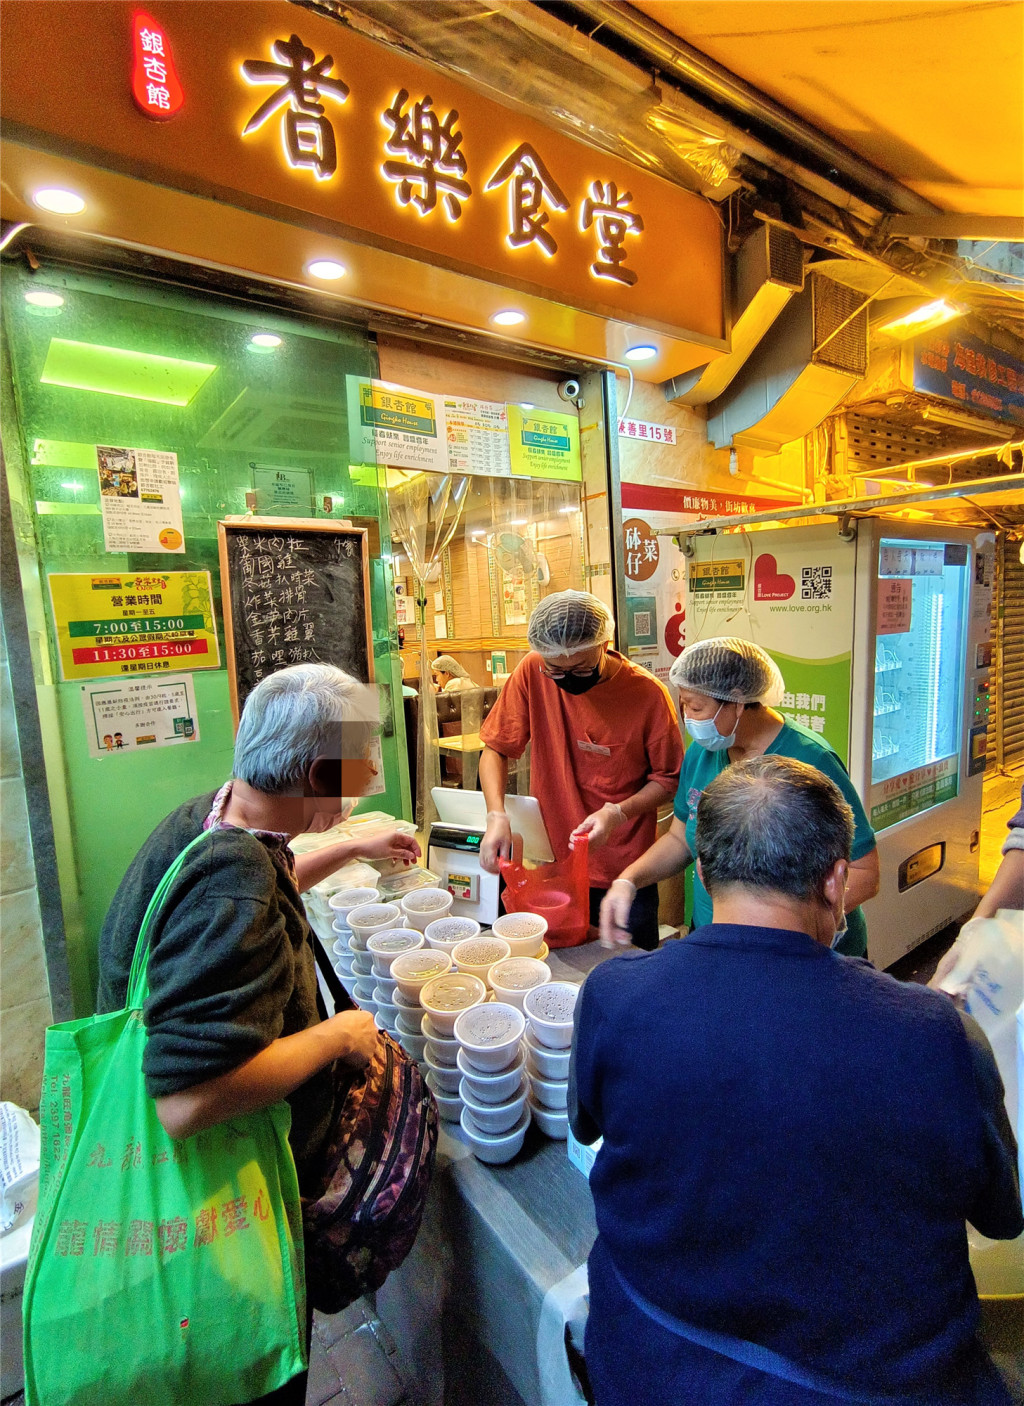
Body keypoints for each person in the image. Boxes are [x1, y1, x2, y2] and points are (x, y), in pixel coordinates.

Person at [571, 755, 1022, 1406]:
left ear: (702, 872)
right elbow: (1002, 1217)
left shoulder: (612, 995)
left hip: (647, 1365)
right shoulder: (934, 1035)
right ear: (838, 880)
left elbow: (590, 1127)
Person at [96, 663, 421, 1406]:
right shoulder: (231, 884)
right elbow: (187, 1098)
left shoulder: (211, 821)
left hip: (213, 1191)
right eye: (359, 766)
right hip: (226, 1206)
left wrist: (345, 848)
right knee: (260, 1372)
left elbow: (255, 894)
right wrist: (339, 1038)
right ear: (313, 770)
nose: (366, 781)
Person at [600, 635, 879, 957]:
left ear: (736, 701)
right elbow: (681, 838)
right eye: (684, 704)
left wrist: (780, 931)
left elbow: (865, 874)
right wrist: (629, 880)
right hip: (718, 939)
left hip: (803, 954)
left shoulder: (810, 760)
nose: (687, 717)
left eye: (696, 706)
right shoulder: (702, 753)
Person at [478, 590, 683, 949]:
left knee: (626, 974)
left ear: (606, 643)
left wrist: (618, 812)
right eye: (556, 670)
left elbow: (668, 779)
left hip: (622, 870)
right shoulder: (532, 671)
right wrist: (496, 813)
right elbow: (496, 747)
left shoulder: (646, 695)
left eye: (582, 669)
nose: (568, 679)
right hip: (552, 864)